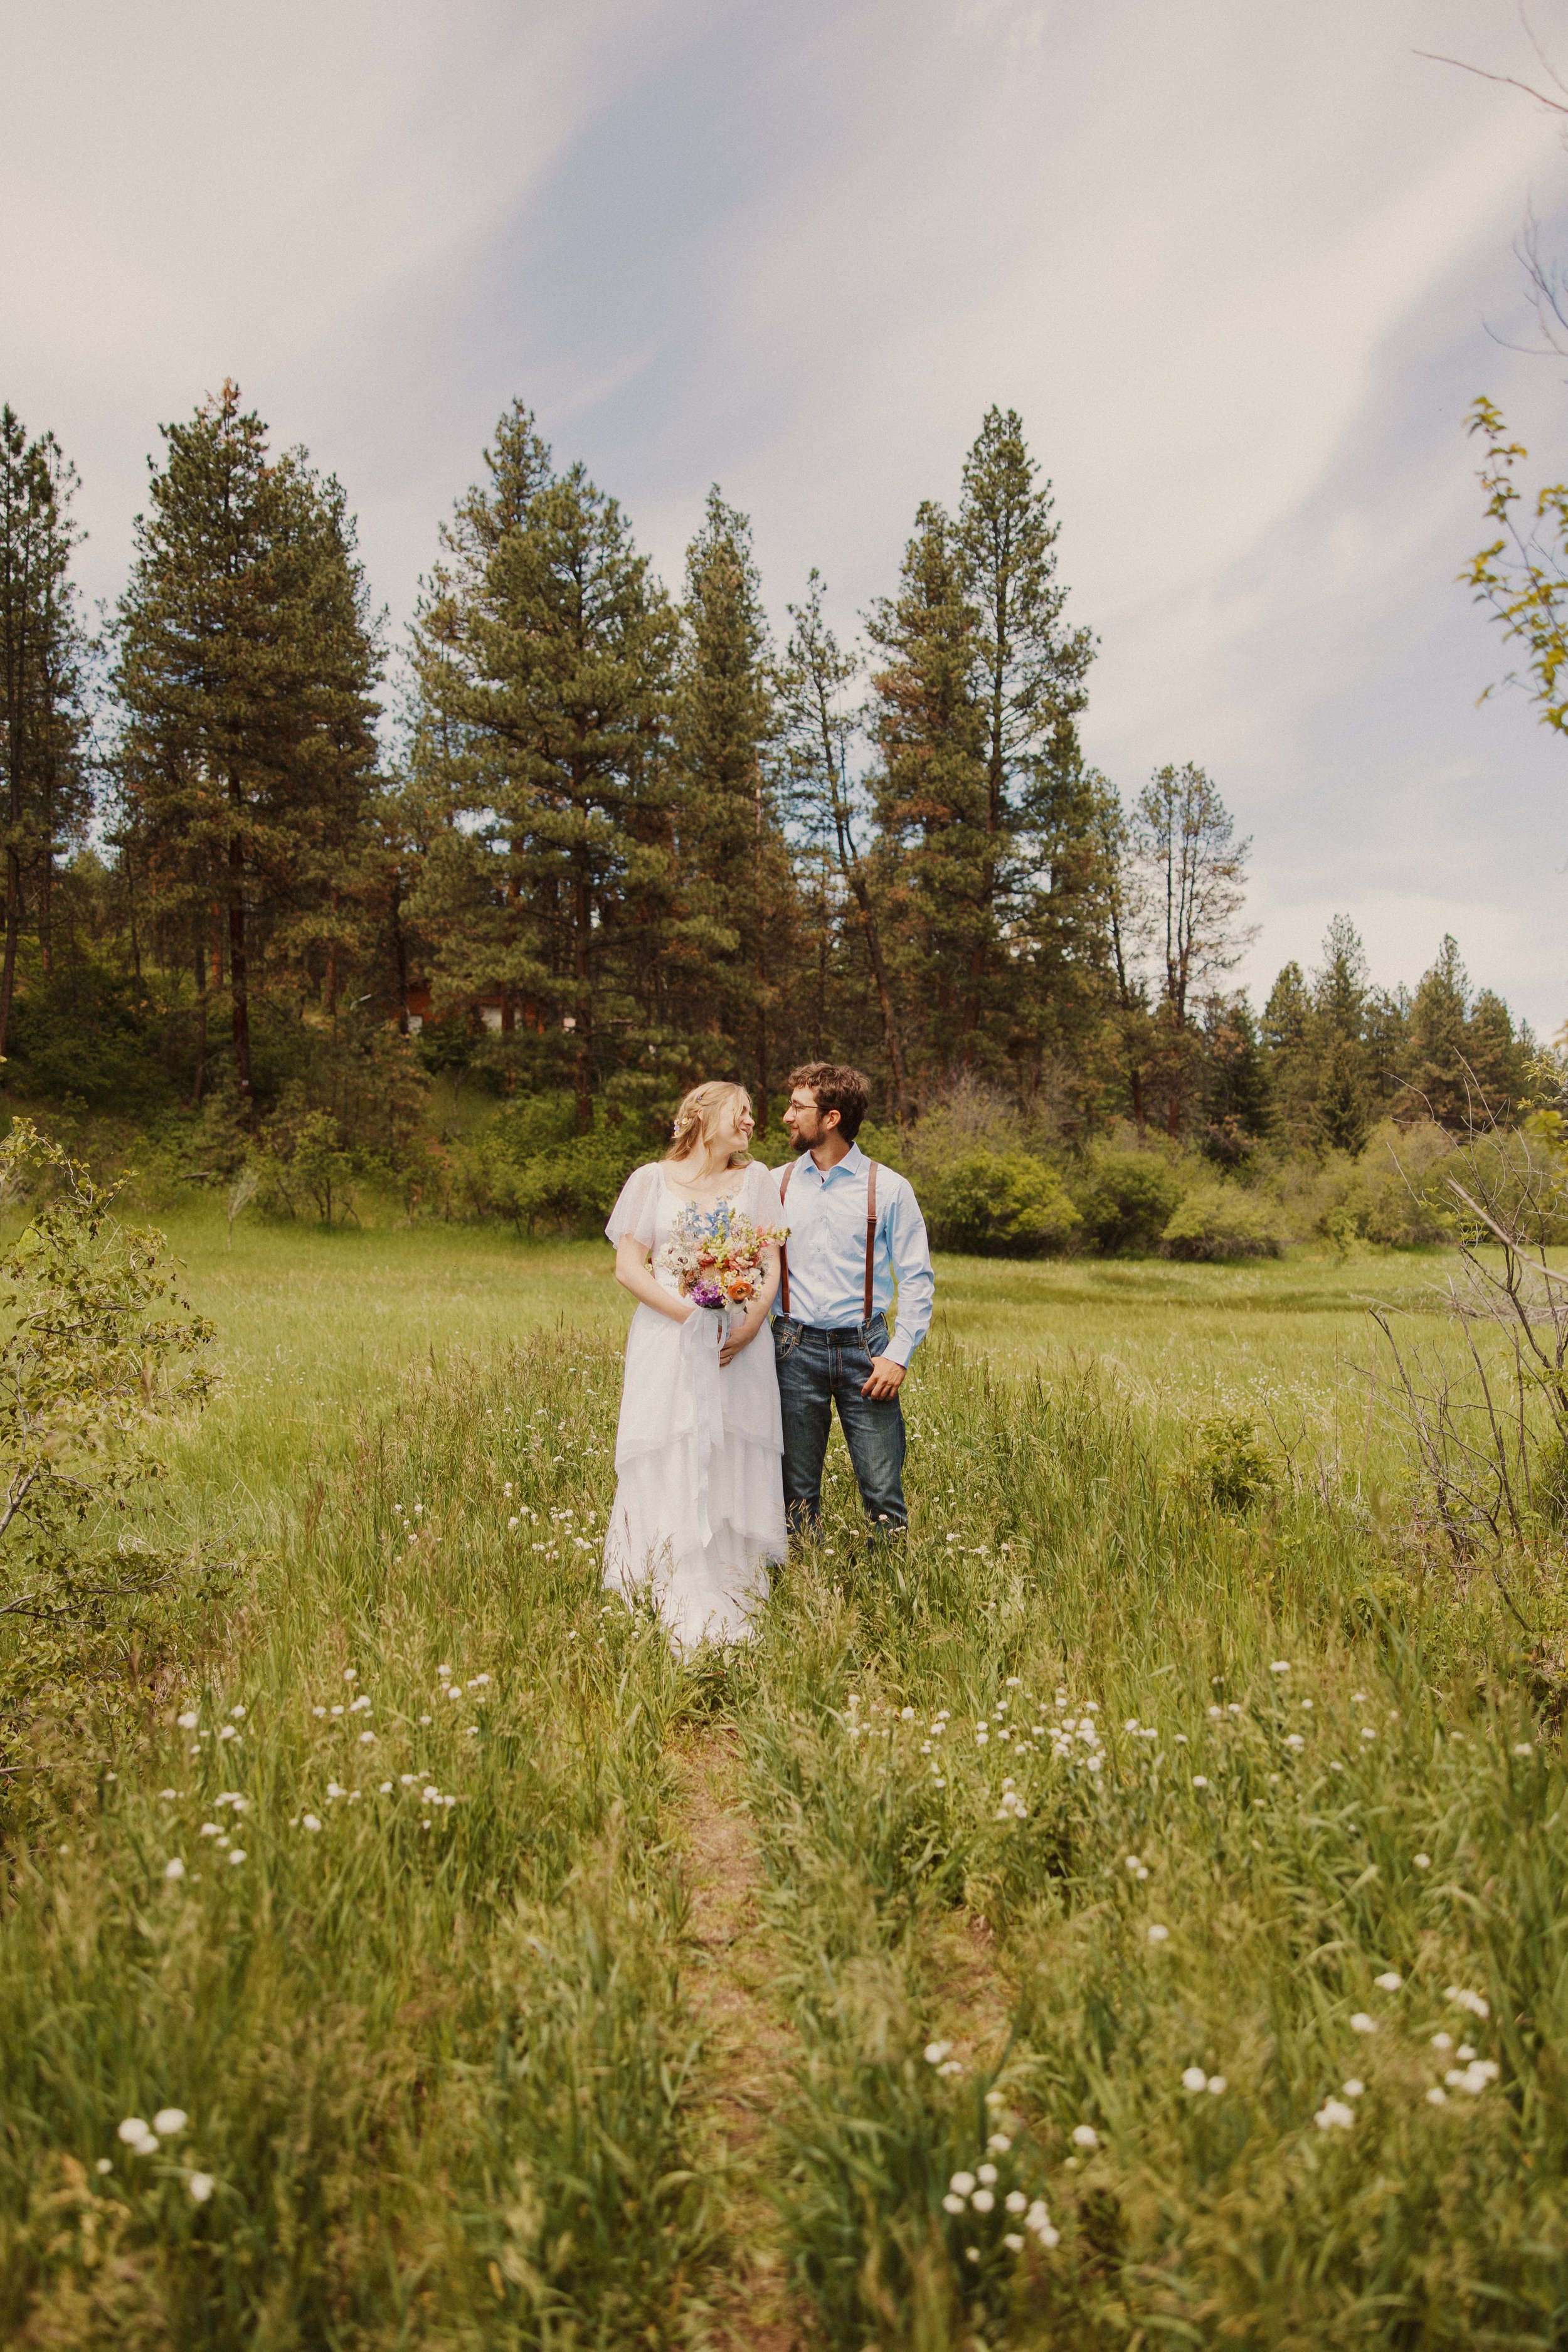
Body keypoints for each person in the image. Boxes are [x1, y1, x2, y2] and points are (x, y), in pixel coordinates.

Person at [601, 1081, 787, 1651]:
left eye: (754, 1115)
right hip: (670, 1341)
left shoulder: (756, 1181)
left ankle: (735, 1581)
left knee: (733, 1443)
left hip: (739, 1345)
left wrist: (751, 1324)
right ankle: (667, 1572)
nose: (752, 1123)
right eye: (743, 1112)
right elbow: (630, 1269)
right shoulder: (649, 1181)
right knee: (671, 1440)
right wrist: (691, 1320)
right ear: (704, 1118)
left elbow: (770, 1262)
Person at [770, 1061, 933, 1544]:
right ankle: (805, 1590)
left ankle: (888, 1599)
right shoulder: (775, 1184)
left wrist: (898, 1356)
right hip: (792, 1348)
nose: (786, 1116)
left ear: (832, 1118)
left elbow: (918, 1280)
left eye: (798, 1107)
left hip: (868, 1351)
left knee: (883, 1491)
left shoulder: (888, 1188)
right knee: (795, 1492)